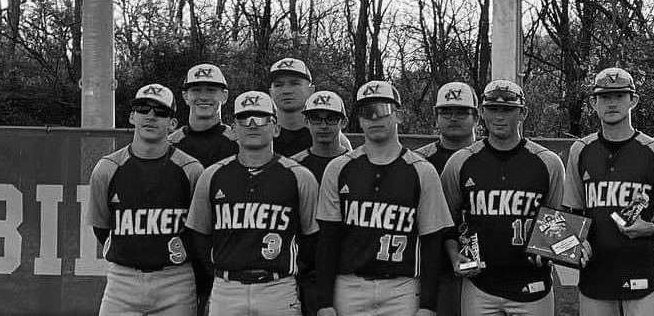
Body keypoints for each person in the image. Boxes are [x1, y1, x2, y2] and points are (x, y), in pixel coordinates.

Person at [314, 81, 455, 316]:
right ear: (359, 119)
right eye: (367, 113)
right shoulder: (339, 168)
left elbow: (432, 244)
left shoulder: (422, 170)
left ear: (398, 116)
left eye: (382, 110)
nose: (374, 118)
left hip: (402, 286)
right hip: (349, 284)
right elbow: (328, 239)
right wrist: (324, 302)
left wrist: (428, 305)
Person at [563, 67, 654, 316]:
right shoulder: (581, 150)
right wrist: (576, 242)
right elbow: (572, 210)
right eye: (605, 97)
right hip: (595, 276)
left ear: (633, 100)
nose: (612, 103)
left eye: (620, 96)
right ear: (593, 102)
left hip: (645, 273)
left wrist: (653, 228)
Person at [185, 91, 321, 316]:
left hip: (278, 288)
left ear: (275, 128)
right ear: (234, 129)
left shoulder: (299, 176)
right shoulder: (212, 175)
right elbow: (198, 233)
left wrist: (294, 269)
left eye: (261, 119)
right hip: (226, 288)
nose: (252, 125)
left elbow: (312, 238)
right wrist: (217, 267)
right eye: (244, 119)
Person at [440, 79, 565, 316]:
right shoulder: (460, 161)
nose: (499, 116)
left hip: (532, 284)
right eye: (493, 109)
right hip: (479, 284)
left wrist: (551, 248)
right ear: (482, 113)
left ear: (523, 113)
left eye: (508, 109)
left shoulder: (548, 162)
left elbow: (559, 221)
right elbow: (448, 223)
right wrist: (455, 256)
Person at [91, 84, 204, 316]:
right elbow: (101, 227)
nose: (151, 116)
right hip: (122, 279)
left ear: (172, 123)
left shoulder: (191, 169)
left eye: (161, 112)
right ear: (132, 116)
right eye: (143, 108)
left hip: (176, 279)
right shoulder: (107, 168)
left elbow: (200, 230)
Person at [416, 81, 480, 316]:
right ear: (436, 116)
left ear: (477, 117)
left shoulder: (491, 156)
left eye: (462, 112)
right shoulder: (418, 161)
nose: (454, 118)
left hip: (484, 269)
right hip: (431, 266)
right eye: (446, 111)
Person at [288, 90, 351, 315]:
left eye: (331, 118)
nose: (323, 125)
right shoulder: (293, 167)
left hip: (349, 267)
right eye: (316, 118)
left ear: (343, 121)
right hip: (307, 270)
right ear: (306, 121)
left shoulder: (357, 164)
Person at [269, 58, 350, 157]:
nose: (286, 90)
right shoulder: (260, 135)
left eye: (295, 84)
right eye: (278, 85)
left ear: (311, 90)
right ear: (270, 92)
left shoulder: (334, 139)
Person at [170, 63, 238, 167]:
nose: (204, 97)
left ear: (224, 96)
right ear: (185, 96)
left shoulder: (239, 143)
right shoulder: (169, 144)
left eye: (211, 90)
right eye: (196, 90)